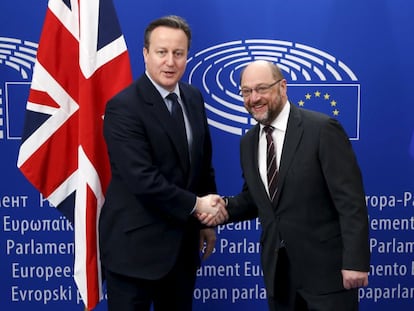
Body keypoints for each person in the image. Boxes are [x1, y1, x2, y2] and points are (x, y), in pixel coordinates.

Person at [200, 60, 370, 310]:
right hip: (279, 278)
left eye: (261, 89)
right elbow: (255, 200)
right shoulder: (248, 143)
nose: (254, 98)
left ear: (282, 87)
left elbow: (351, 202)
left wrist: (356, 261)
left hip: (327, 276)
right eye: (246, 91)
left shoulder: (321, 129)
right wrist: (221, 208)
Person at [99, 15, 226, 311]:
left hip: (181, 250)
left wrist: (206, 223)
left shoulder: (193, 98)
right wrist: (197, 205)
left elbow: (202, 163)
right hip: (134, 255)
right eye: (162, 52)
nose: (170, 62)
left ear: (186, 57)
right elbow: (142, 179)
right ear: (145, 54)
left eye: (178, 53)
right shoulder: (123, 107)